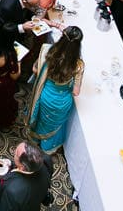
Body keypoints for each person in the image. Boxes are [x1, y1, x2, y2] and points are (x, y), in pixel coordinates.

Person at [28, 25, 83, 153]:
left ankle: (35, 140)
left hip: (45, 95)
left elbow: (35, 69)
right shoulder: (78, 65)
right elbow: (76, 92)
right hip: (61, 102)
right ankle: (47, 148)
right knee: (52, 126)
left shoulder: (48, 51)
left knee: (41, 119)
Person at [0, 142, 53, 211]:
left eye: (16, 153)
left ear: (22, 166)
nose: (14, 152)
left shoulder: (12, 191)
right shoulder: (46, 159)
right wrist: (12, 164)